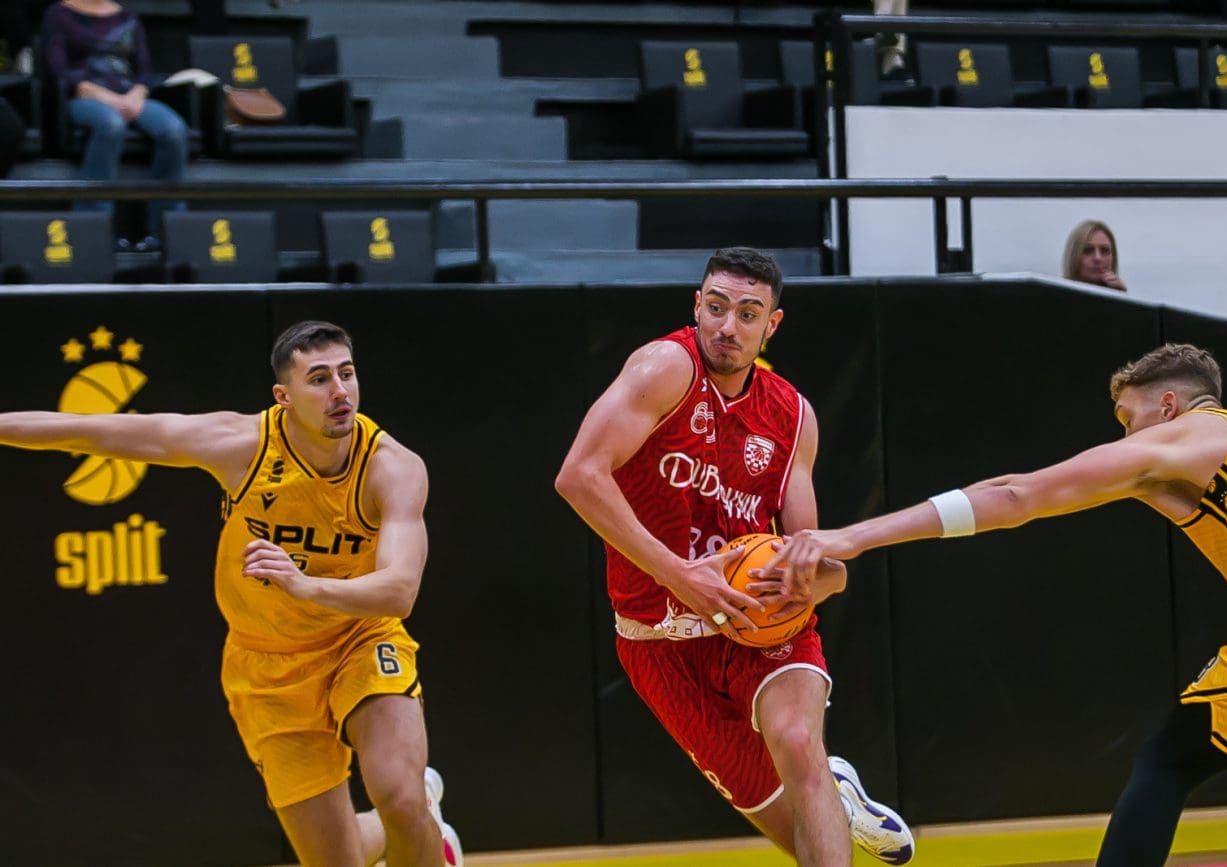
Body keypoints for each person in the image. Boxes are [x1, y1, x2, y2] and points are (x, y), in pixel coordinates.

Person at [761, 343, 1227, 866]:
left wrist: (851, 537)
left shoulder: (1183, 436)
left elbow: (1016, 497)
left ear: (1168, 406)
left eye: (1128, 419)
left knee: (1170, 759)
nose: (1126, 438)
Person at [0, 321, 462, 867]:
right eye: (319, 379)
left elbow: (399, 592)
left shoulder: (393, 468)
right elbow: (92, 431)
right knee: (339, 858)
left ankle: (416, 814)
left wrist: (306, 585)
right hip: (267, 665)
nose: (340, 391)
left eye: (347, 373)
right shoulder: (242, 446)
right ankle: (428, 831)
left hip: (359, 640)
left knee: (398, 796)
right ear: (283, 396)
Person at [555, 247, 915, 865]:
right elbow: (579, 476)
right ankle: (835, 793)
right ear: (697, 305)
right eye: (717, 307)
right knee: (793, 830)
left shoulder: (792, 416)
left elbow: (815, 559)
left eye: (748, 314)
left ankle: (821, 776)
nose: (728, 326)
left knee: (798, 744)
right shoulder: (666, 368)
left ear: (771, 325)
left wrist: (819, 584)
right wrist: (679, 575)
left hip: (760, 624)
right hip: (660, 639)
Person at [42, 0, 188, 252]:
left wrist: (136, 95)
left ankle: (165, 230)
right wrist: (108, 98)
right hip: (83, 97)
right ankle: (94, 226)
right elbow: (58, 71)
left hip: (129, 95)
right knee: (110, 124)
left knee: (174, 129)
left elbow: (144, 72)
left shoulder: (128, 17)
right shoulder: (59, 14)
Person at [1063, 219, 1126, 292]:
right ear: (1074, 256)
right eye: (1088, 250)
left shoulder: (1121, 295)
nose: (1097, 258)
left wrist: (1120, 295)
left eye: (1104, 250)